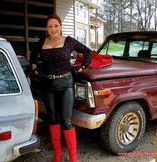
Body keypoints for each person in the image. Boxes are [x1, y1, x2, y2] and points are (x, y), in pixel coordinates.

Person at [30, 14, 92, 162]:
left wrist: (82, 67)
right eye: (50, 26)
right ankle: (57, 155)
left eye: (56, 26)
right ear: (47, 28)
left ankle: (73, 158)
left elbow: (88, 52)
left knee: (66, 121)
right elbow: (32, 56)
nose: (53, 29)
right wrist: (35, 69)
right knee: (52, 119)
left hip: (65, 84)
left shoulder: (68, 41)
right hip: (47, 85)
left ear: (60, 26)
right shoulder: (42, 42)